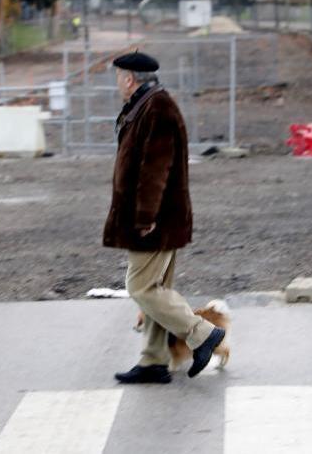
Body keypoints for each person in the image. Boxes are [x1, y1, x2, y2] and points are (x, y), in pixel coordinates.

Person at [104, 51, 226, 384]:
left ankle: (201, 333)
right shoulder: (146, 105)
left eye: (118, 76)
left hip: (155, 220)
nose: (117, 83)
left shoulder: (156, 108)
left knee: (140, 286)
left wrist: (145, 217)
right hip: (162, 217)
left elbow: (155, 168)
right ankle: (154, 361)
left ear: (130, 79)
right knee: (156, 288)